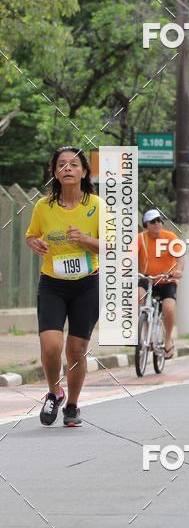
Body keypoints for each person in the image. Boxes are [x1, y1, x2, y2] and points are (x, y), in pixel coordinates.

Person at [25, 147, 102, 428]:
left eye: (74, 164)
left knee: (76, 350)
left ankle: (72, 405)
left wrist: (86, 240)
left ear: (84, 172)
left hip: (87, 285)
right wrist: (34, 243)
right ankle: (55, 391)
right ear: (55, 173)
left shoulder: (97, 205)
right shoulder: (43, 206)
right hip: (52, 285)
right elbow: (31, 236)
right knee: (51, 346)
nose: (67, 168)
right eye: (61, 165)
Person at [137, 209, 184, 359]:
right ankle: (146, 332)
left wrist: (178, 270)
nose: (157, 224)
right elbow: (128, 257)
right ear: (146, 225)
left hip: (167, 280)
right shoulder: (140, 238)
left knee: (168, 308)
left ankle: (168, 339)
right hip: (148, 279)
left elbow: (180, 257)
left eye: (159, 220)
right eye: (153, 221)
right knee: (138, 297)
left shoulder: (170, 237)